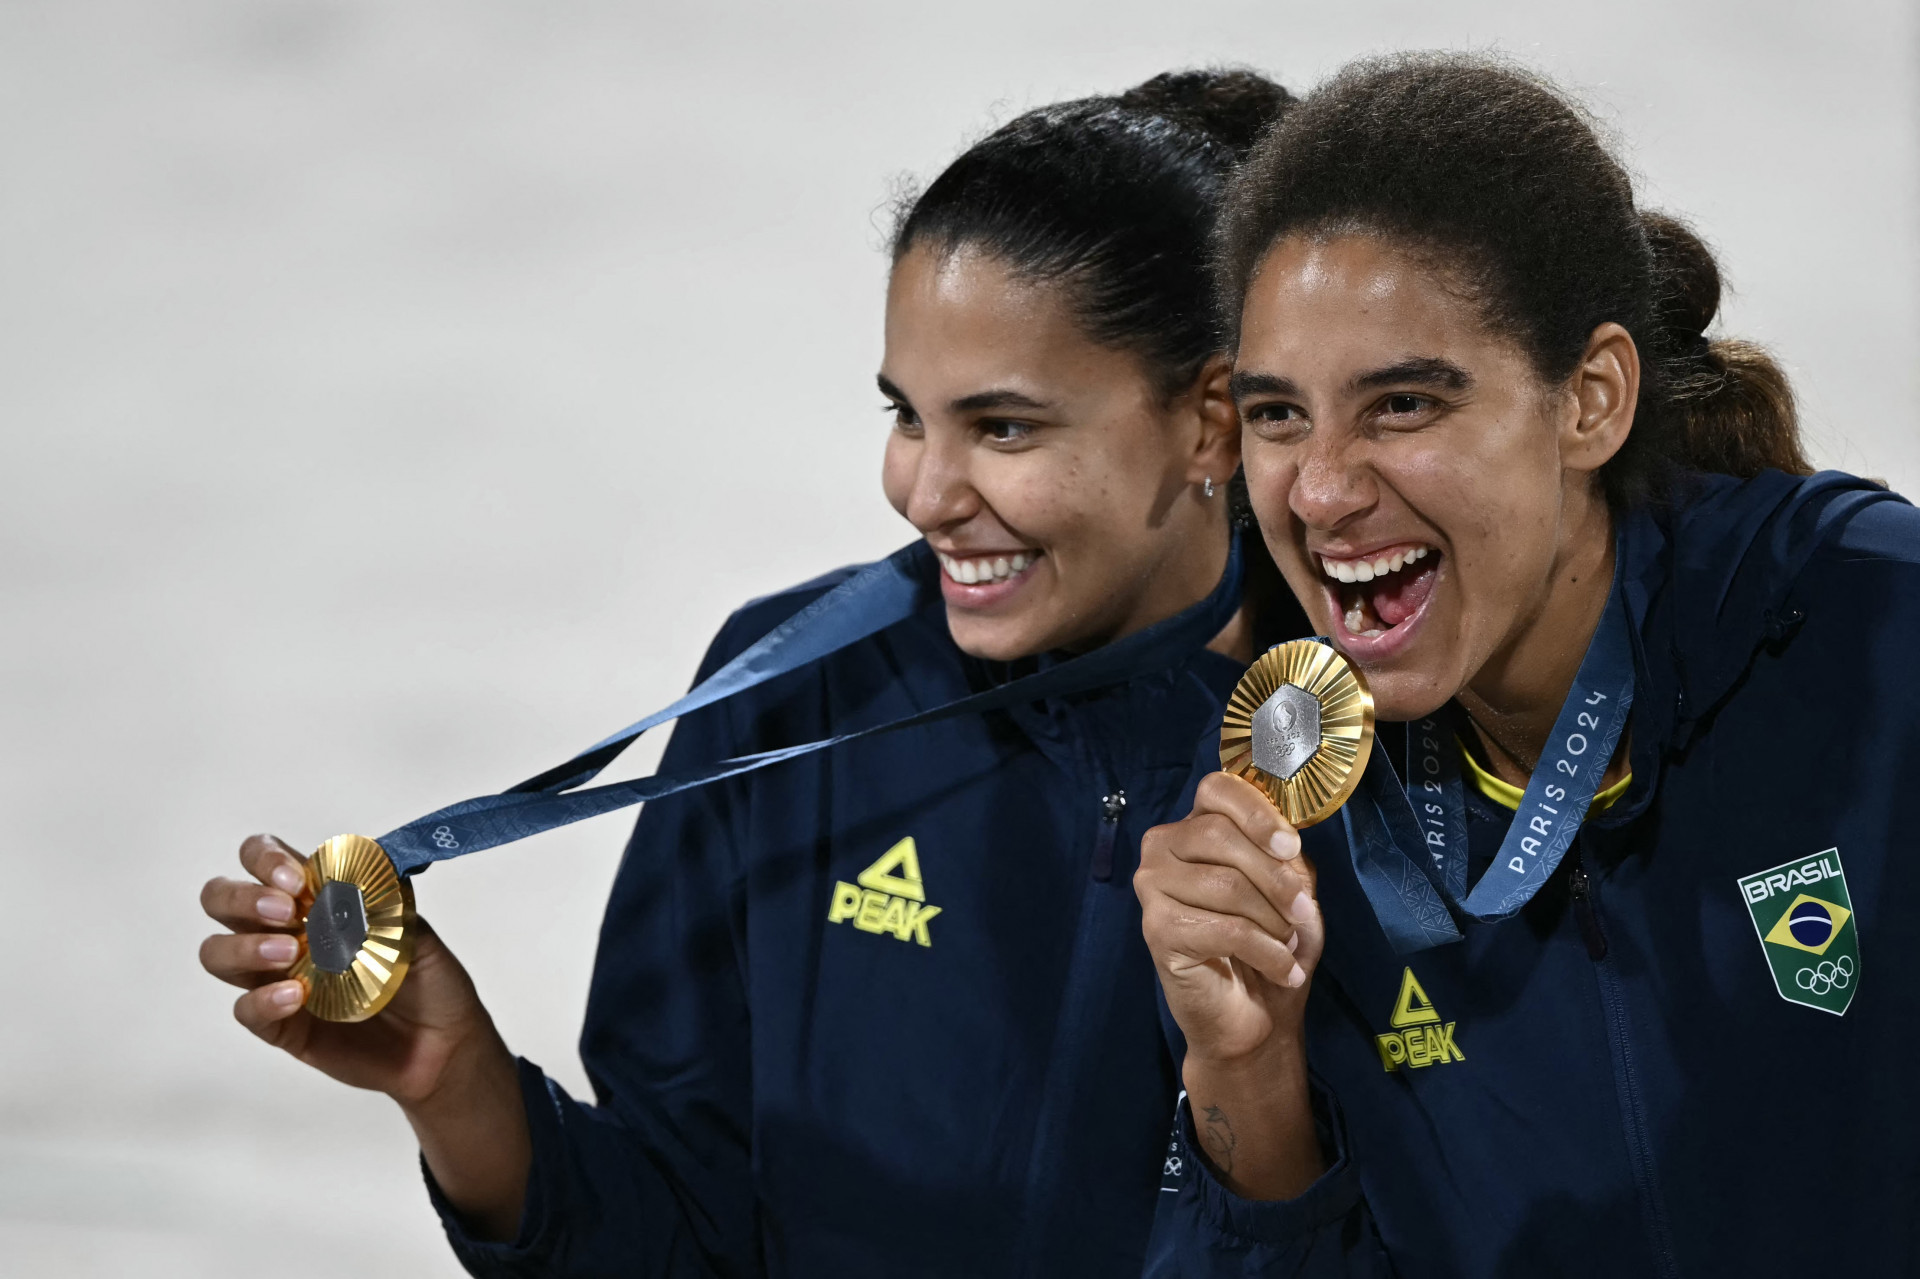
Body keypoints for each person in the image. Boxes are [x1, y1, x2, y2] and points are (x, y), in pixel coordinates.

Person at [199, 70, 1308, 1276]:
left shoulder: (1365, 760)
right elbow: (688, 1227)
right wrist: (459, 1088)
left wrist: (1254, 1083)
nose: (925, 493)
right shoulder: (794, 699)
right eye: (908, 417)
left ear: (1210, 421)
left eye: (1003, 427)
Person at [1137, 54, 1918, 1276]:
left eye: (1403, 404)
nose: (1321, 490)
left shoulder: (1872, 633)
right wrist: (1243, 1064)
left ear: (1590, 401)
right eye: (1279, 414)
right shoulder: (1279, 805)